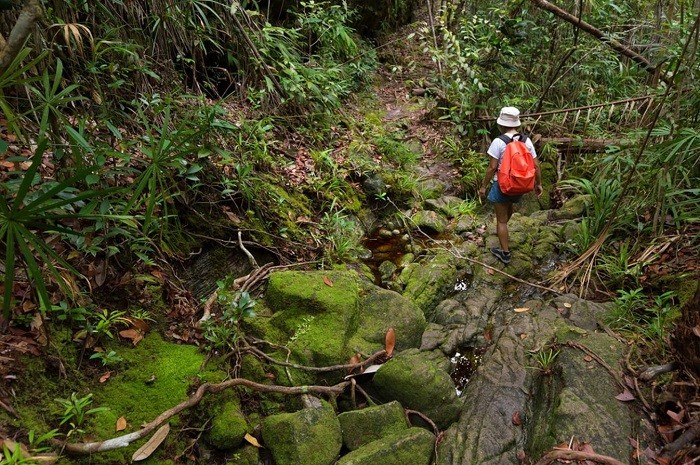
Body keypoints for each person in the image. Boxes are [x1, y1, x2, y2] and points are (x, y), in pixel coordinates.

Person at [479, 107, 543, 264]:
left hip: (502, 185)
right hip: (520, 184)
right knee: (508, 209)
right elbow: (536, 165)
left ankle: (505, 253)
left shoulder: (498, 142)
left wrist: (483, 186)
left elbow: (492, 168)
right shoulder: (526, 140)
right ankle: (504, 233)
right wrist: (539, 184)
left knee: (501, 221)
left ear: (501, 124)